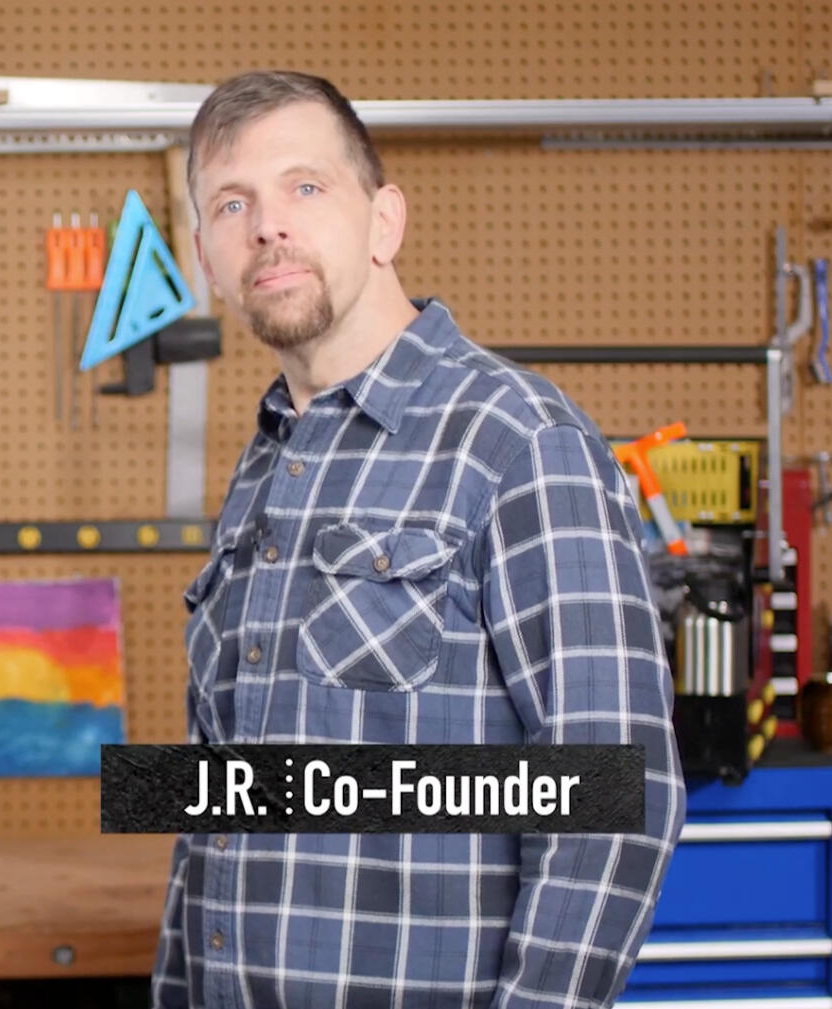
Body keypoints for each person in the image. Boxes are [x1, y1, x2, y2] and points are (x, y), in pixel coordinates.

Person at [153, 71, 685, 1009]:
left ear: (384, 222)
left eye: (304, 187)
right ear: (205, 253)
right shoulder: (267, 464)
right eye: (233, 204)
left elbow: (618, 796)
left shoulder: (517, 441)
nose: (267, 225)